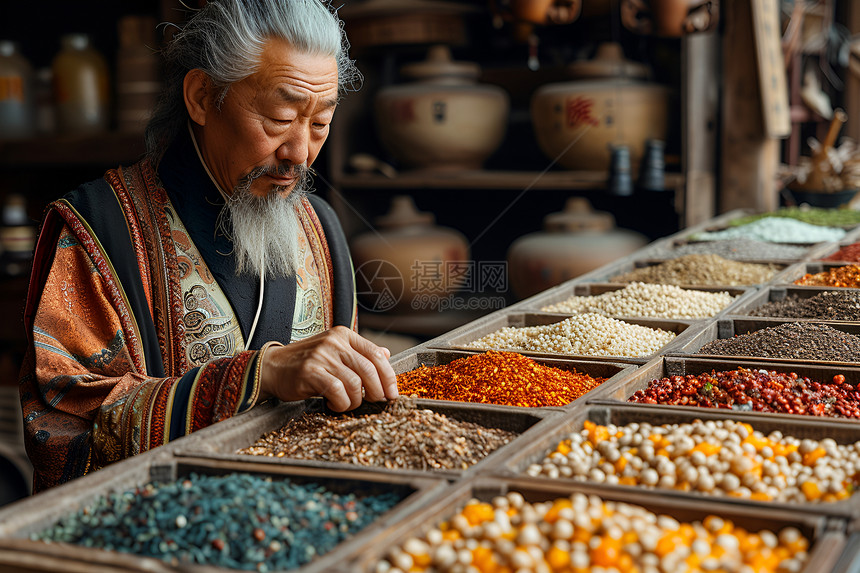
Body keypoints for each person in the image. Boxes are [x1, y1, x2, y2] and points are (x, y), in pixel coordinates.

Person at [19, 0, 399, 493]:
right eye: (280, 118)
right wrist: (258, 375)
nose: (299, 154)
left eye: (320, 124)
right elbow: (66, 430)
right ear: (202, 96)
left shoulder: (321, 229)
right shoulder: (98, 229)